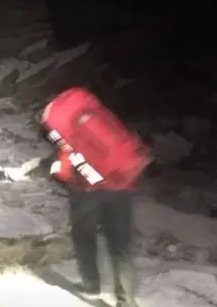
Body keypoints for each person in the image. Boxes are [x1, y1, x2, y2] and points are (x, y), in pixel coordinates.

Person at [41, 87, 152, 307]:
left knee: (84, 235)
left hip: (88, 188)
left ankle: (91, 285)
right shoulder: (90, 106)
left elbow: (69, 153)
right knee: (121, 245)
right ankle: (127, 300)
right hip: (122, 183)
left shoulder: (57, 120)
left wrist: (60, 173)